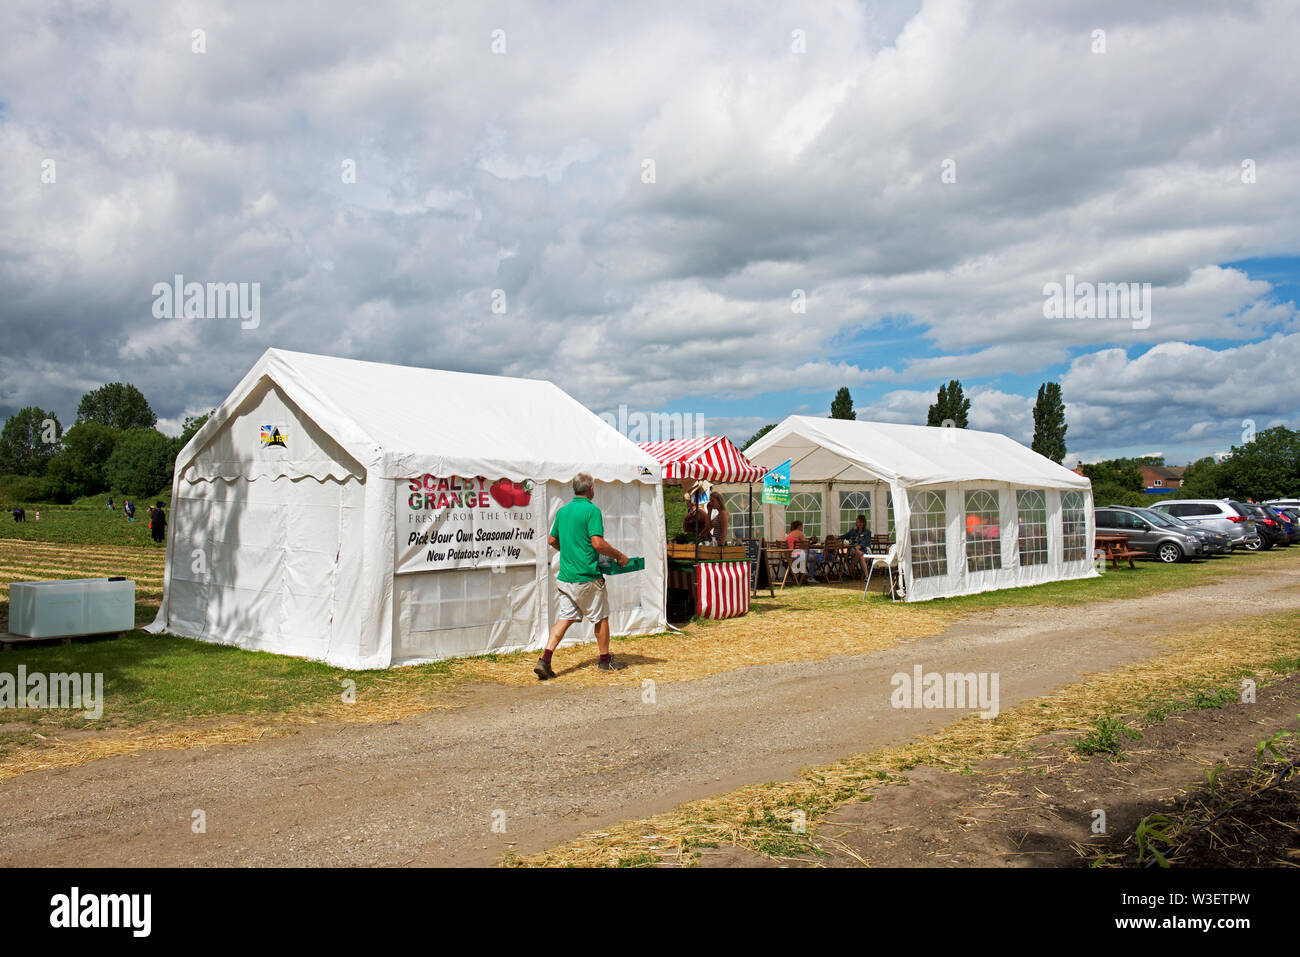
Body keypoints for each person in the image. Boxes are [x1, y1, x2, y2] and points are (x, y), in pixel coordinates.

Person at [534, 473, 630, 680]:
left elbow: (552, 540)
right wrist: (620, 556)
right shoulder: (592, 511)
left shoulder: (563, 511)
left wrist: (568, 551)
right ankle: (605, 661)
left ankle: (545, 659)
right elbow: (597, 543)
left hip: (566, 577)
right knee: (601, 617)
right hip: (587, 577)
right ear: (590, 489)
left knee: (565, 619)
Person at [843, 514, 872, 578]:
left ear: (864, 523)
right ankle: (867, 576)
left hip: (865, 550)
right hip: (854, 550)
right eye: (858, 522)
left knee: (860, 554)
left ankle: (850, 570)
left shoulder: (868, 532)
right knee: (859, 553)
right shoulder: (853, 531)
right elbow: (845, 536)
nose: (859, 524)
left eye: (860, 522)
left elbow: (865, 543)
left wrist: (859, 547)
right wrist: (837, 537)